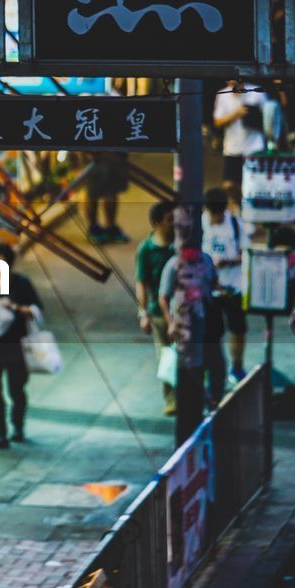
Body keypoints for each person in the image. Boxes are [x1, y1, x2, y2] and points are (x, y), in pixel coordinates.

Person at [0, 243, 43, 450]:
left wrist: (15, 307)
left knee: (16, 389)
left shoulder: (21, 283)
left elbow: (36, 311)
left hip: (17, 346)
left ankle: (17, 426)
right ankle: (0, 433)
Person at [158, 247, 226, 409]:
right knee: (193, 368)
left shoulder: (207, 260)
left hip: (209, 323)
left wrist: (221, 293)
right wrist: (171, 322)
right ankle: (193, 403)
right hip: (186, 325)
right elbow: (164, 297)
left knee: (217, 366)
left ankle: (214, 401)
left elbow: (215, 284)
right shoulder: (173, 265)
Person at [134, 200, 176, 415]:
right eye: (170, 220)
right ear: (156, 223)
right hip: (159, 314)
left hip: (183, 312)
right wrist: (143, 313)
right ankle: (171, 399)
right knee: (167, 357)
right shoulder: (146, 250)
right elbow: (141, 282)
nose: (174, 224)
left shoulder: (181, 245)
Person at [203, 186, 248, 382]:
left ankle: (236, 367)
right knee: (211, 332)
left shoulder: (236, 224)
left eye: (218, 214)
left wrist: (228, 261)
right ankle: (212, 368)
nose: (215, 218)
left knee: (237, 329)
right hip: (208, 288)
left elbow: (246, 254)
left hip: (233, 286)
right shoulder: (200, 224)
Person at [213, 81, 267, 205]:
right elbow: (217, 122)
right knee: (229, 185)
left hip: (254, 147)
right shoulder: (222, 95)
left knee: (255, 186)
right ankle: (242, 207)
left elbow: (269, 116)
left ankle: (251, 210)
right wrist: (236, 114)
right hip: (233, 147)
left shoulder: (256, 92)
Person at [83, 152, 130, 244]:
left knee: (110, 191)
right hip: (96, 152)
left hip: (112, 151)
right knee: (93, 192)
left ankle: (109, 227)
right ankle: (94, 228)